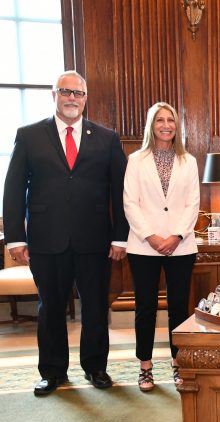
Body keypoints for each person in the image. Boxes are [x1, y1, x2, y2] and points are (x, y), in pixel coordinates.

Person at [3, 70, 129, 395]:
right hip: (47, 240)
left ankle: (95, 367)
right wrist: (16, 237)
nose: (72, 98)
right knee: (50, 309)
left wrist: (120, 236)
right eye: (65, 91)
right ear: (54, 95)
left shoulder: (106, 138)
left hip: (95, 240)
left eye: (78, 93)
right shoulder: (29, 135)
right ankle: (52, 371)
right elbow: (13, 189)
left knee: (95, 308)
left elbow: (121, 191)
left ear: (86, 99)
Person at [123, 102, 200, 391]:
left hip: (181, 245)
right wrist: (151, 236)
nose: (166, 125)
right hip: (144, 246)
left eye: (170, 120)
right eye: (159, 120)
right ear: (151, 126)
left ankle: (178, 361)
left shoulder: (188, 161)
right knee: (146, 307)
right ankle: (145, 365)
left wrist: (177, 235)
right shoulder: (136, 160)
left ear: (176, 126)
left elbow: (193, 203)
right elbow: (130, 202)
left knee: (179, 307)